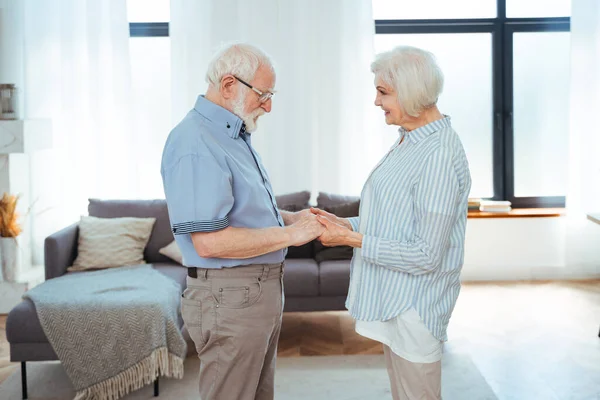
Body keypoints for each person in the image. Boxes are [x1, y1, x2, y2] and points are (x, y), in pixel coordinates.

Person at [161, 42, 323, 400]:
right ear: (229, 84)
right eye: (264, 94)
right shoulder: (195, 142)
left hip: (251, 294)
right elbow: (210, 241)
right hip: (230, 297)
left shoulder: (232, 135)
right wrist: (291, 236)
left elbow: (239, 210)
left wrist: (289, 218)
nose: (269, 105)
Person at [312, 46, 472, 400]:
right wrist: (346, 224)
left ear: (412, 91)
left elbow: (427, 254)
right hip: (396, 299)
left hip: (416, 306)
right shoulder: (410, 142)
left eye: (383, 92)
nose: (375, 102)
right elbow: (392, 218)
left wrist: (351, 240)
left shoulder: (439, 155)